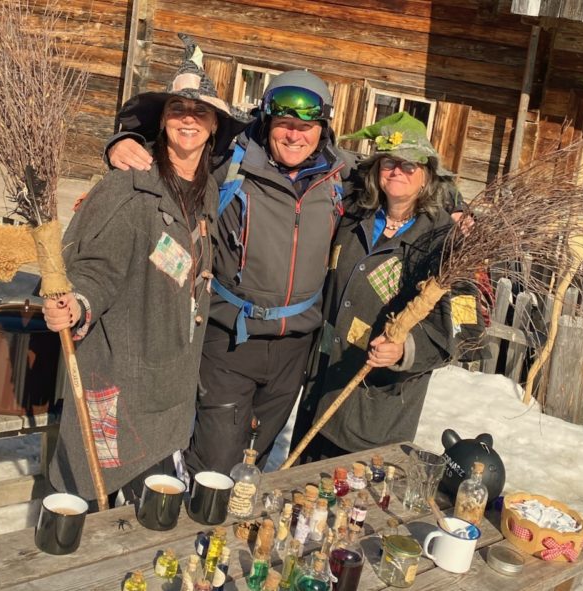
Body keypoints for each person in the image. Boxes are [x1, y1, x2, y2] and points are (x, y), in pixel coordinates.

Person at [108, 70, 357, 474]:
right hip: (230, 339)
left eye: (305, 126)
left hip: (296, 346)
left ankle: (231, 528)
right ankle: (198, 525)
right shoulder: (231, 162)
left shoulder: (341, 176)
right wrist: (123, 143)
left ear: (322, 129)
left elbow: (404, 183)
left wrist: (449, 208)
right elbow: (179, 146)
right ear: (266, 122)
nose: (294, 136)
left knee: (254, 459)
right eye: (284, 125)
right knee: (217, 461)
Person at [41, 34, 247, 503]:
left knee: (148, 505)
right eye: (178, 110)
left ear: (214, 126)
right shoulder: (129, 188)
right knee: (96, 499)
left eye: (200, 112)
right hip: (121, 373)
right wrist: (78, 301)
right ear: (162, 121)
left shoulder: (209, 194)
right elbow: (97, 266)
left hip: (170, 381)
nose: (188, 120)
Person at [291, 112, 484, 461]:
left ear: (427, 175)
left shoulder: (447, 242)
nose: (398, 171)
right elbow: (327, 158)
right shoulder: (354, 214)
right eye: (389, 162)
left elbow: (466, 329)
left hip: (375, 405)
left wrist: (405, 349)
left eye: (410, 165)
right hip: (321, 388)